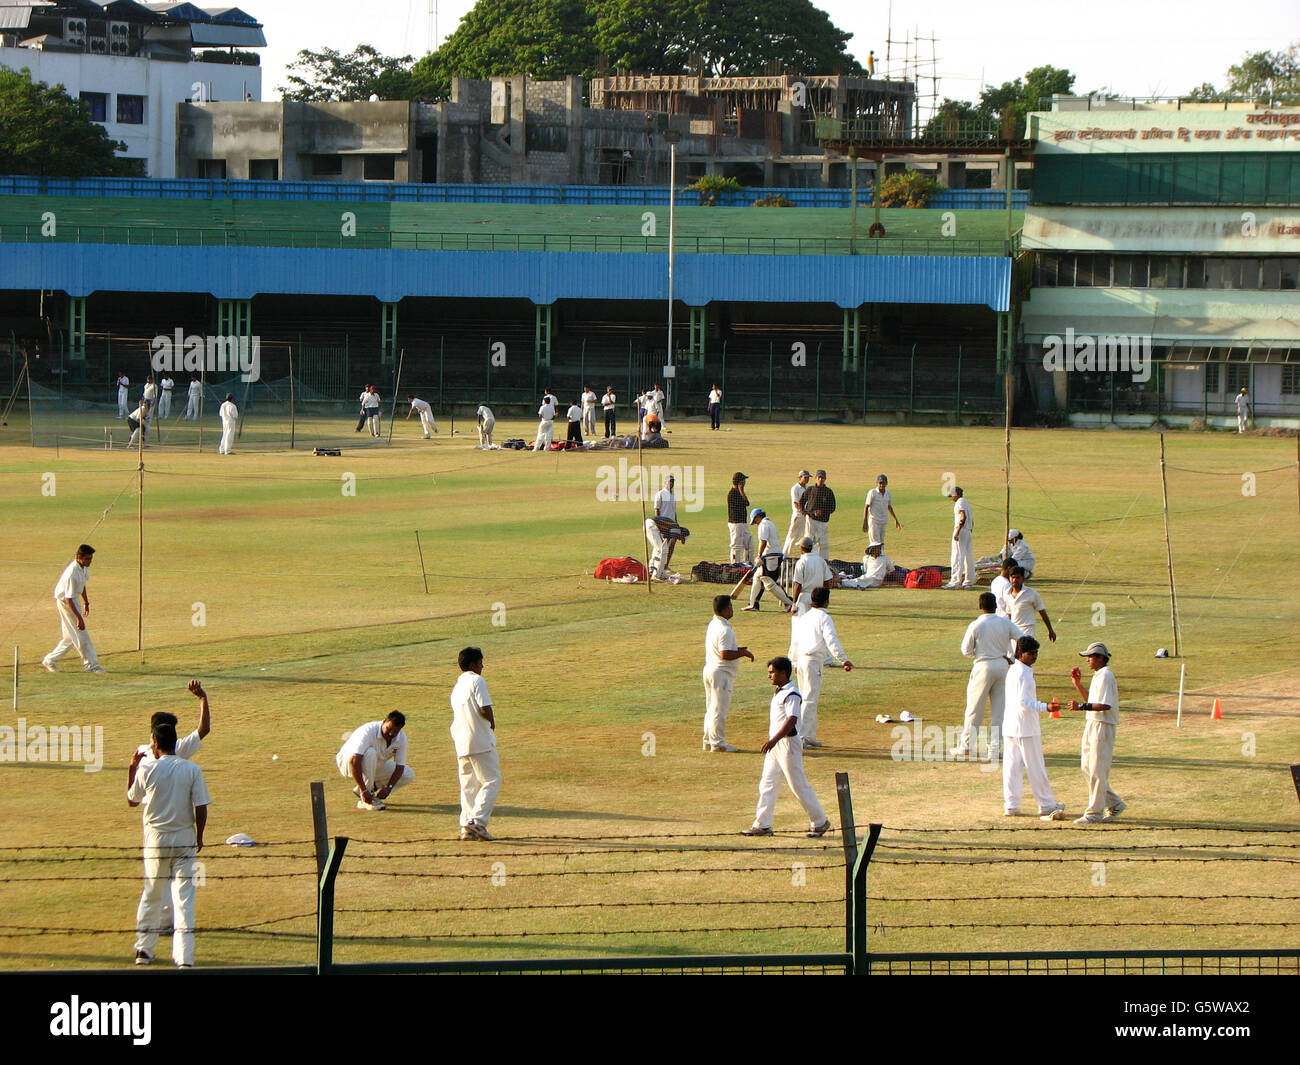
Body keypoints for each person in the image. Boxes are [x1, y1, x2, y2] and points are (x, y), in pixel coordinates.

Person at [126, 721, 211, 967]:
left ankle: (144, 950)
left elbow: (132, 800)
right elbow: (201, 806)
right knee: (184, 899)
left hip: (156, 840)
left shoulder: (147, 769)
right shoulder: (192, 769)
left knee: (152, 894)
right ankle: (184, 957)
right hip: (184, 838)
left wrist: (132, 769)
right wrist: (199, 836)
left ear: (155, 743)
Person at [740, 657, 832, 839]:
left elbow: (791, 720)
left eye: (772, 672)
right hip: (776, 746)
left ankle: (820, 821)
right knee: (767, 784)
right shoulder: (779, 692)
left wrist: (773, 740)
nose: (770, 676)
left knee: (798, 785)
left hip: (787, 745)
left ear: (783, 673)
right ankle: (762, 824)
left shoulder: (792, 694)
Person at [952, 592, 1025, 760]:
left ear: (980, 606)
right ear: (996, 606)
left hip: (982, 666)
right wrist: (1012, 658)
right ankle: (994, 749)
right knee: (1000, 711)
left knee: (974, 709)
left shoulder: (976, 625)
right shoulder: (1004, 622)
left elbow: (966, 650)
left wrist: (978, 654)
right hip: (1002, 666)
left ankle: (966, 747)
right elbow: (1022, 638)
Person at [1003, 637, 1067, 820]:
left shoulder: (1014, 670)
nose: (1034, 656)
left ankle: (1011, 805)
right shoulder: (1021, 673)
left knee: (1012, 767)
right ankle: (1046, 804)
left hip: (1012, 726)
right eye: (1031, 653)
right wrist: (1045, 707)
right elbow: (1024, 703)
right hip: (1025, 727)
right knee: (1035, 766)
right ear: (1020, 653)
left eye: (1036, 653)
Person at [1068, 641, 1126, 824]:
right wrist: (1077, 684)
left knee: (1097, 771)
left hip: (1103, 725)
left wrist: (1081, 707)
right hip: (1092, 724)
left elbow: (1105, 705)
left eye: (1090, 657)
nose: (1088, 660)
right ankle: (1114, 804)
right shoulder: (1098, 675)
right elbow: (1093, 700)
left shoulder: (1106, 676)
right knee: (1087, 767)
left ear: (1101, 658)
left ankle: (1094, 813)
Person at [787, 586, 853, 748]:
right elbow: (831, 640)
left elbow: (795, 641)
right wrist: (843, 660)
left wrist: (794, 661)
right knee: (809, 700)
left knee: (808, 699)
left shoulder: (805, 617)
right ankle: (801, 738)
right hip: (812, 661)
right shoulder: (824, 617)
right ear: (827, 601)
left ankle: (808, 736)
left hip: (802, 660)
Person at [450, 646, 501, 841]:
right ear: (473, 664)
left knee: (468, 785)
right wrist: (492, 723)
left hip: (461, 742)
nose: (482, 666)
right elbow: (484, 706)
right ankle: (477, 822)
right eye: (480, 663)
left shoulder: (457, 688)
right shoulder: (476, 680)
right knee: (491, 780)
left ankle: (466, 826)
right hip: (478, 739)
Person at [42, 544, 106, 674]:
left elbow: (82, 585)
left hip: (73, 600)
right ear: (79, 557)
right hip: (66, 603)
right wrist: (79, 619)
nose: (90, 561)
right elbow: (68, 599)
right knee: (82, 634)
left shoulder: (82, 568)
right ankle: (92, 666)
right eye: (87, 559)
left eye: (91, 558)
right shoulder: (72, 573)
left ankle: (49, 660)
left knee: (70, 638)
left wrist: (86, 603)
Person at [703, 595, 754, 752]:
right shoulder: (725, 630)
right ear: (725, 609)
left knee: (711, 708)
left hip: (710, 669)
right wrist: (743, 653)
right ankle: (718, 744)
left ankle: (708, 740)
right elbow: (725, 654)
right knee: (719, 710)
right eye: (730, 607)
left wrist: (739, 650)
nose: (732, 609)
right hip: (721, 673)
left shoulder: (713, 624)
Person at [335, 712, 413, 811]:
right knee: (371, 753)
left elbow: (399, 767)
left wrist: (389, 788)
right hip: (347, 763)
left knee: (408, 774)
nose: (391, 734)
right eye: (389, 729)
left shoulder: (401, 739)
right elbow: (354, 761)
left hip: (374, 765)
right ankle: (366, 798)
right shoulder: (368, 731)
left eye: (395, 732)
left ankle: (365, 790)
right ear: (384, 722)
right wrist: (364, 789)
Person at [743, 508, 794, 611]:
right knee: (757, 577)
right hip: (770, 556)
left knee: (769, 584)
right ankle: (753, 604)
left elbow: (763, 542)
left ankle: (790, 603)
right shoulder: (769, 523)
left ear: (758, 517)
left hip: (771, 557)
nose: (756, 523)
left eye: (755, 520)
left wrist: (758, 555)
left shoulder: (763, 524)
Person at [1005, 566, 1056, 643]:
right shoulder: (1007, 594)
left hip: (1027, 629)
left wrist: (1050, 630)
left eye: (1018, 577)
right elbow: (1009, 614)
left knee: (1026, 653)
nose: (1015, 580)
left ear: (1023, 578)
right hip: (1014, 630)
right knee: (1014, 655)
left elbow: (1042, 612)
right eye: (1013, 577)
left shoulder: (1031, 593)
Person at [790, 536, 834, 615]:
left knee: (801, 623)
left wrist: (794, 603)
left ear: (802, 548)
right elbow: (827, 581)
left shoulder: (801, 562)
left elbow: (798, 584)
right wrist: (825, 598)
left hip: (805, 597)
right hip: (818, 598)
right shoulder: (821, 560)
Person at [800, 470, 836, 560]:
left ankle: (824, 561)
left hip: (823, 521)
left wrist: (823, 512)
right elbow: (802, 501)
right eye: (819, 477)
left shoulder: (828, 492)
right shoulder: (810, 490)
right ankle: (807, 559)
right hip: (811, 519)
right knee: (808, 540)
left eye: (822, 478)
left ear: (825, 479)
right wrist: (805, 512)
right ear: (816, 478)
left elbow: (832, 507)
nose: (820, 479)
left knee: (823, 543)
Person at [944, 486, 973, 589]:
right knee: (968, 556)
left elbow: (963, 516)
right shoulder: (966, 503)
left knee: (957, 557)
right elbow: (971, 520)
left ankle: (955, 582)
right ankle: (968, 581)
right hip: (968, 531)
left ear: (956, 494)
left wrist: (957, 532)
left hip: (961, 531)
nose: (951, 498)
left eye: (952, 496)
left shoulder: (959, 502)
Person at [861, 474, 902, 547]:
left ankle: (881, 557)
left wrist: (896, 520)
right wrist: (865, 522)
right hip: (874, 521)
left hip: (883, 521)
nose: (882, 485)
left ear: (887, 483)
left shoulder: (888, 493)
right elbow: (866, 507)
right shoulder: (872, 492)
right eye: (880, 483)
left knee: (881, 542)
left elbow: (889, 507)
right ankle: (873, 558)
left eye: (884, 483)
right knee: (875, 543)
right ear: (877, 483)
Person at [782, 470, 811, 556]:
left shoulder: (808, 487)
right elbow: (795, 503)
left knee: (807, 535)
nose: (807, 479)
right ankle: (784, 556)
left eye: (808, 477)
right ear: (800, 477)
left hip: (806, 515)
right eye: (805, 477)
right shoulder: (795, 488)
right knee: (792, 537)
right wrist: (802, 511)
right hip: (799, 515)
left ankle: (806, 554)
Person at [726, 472, 753, 565]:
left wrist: (742, 491)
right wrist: (741, 491)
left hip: (742, 523)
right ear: (739, 482)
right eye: (743, 481)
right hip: (736, 523)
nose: (745, 482)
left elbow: (747, 503)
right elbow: (744, 503)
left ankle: (748, 564)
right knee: (736, 546)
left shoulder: (739, 492)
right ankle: (735, 565)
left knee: (749, 544)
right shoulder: (732, 494)